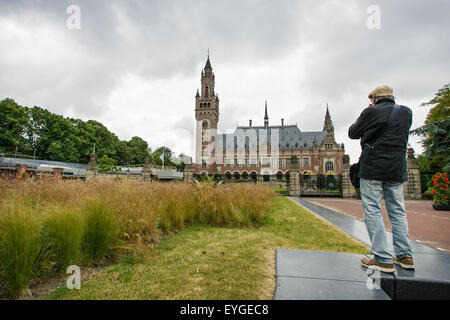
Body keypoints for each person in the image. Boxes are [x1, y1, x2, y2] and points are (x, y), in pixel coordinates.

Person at [348, 85, 415, 273]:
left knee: (373, 209)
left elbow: (353, 133)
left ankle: (382, 258)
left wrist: (368, 113)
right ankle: (405, 256)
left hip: (373, 166)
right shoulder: (406, 112)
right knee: (398, 210)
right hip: (396, 166)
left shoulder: (371, 111)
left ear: (373, 99)